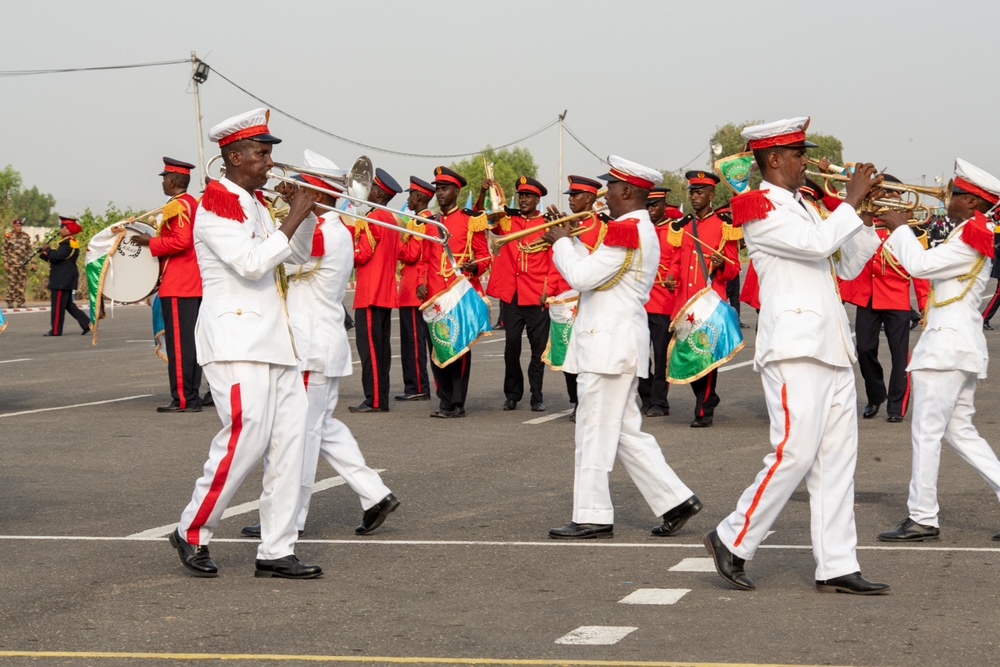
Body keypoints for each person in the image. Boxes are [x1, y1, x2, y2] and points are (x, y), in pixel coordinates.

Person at [703, 117, 890, 595]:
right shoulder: (758, 208)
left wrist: (866, 215)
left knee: (836, 461)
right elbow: (816, 245)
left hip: (829, 345)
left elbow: (847, 260)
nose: (808, 160)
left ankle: (836, 563)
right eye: (800, 154)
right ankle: (731, 537)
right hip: (794, 347)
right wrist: (848, 201)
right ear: (774, 160)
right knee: (795, 452)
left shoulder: (807, 205)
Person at [168, 108, 322, 579]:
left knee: (290, 446)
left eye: (269, 151)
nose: (270, 161)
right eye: (261, 152)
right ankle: (192, 529)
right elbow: (252, 263)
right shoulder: (216, 205)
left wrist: (308, 215)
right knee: (245, 439)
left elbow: (296, 254)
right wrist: (292, 213)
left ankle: (276, 549)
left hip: (275, 340)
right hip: (236, 339)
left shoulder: (255, 203)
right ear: (233, 156)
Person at [543, 155, 702, 540]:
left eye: (611, 188)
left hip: (608, 346)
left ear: (627, 191)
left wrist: (562, 244)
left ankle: (592, 514)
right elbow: (597, 275)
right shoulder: (629, 229)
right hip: (614, 344)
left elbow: (582, 277)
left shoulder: (626, 230)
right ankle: (675, 500)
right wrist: (573, 240)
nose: (605, 194)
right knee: (625, 433)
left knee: (593, 432)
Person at [242, 150, 398, 539]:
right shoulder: (334, 228)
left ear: (317, 194)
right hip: (317, 342)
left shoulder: (325, 232)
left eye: (301, 190)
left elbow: (272, 259)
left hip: (311, 346)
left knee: (301, 440)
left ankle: (286, 521)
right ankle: (375, 494)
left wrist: (277, 209)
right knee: (322, 428)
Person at [876, 158, 1000, 543]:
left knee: (926, 433)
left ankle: (922, 516)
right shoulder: (969, 232)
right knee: (959, 431)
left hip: (947, 347)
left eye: (954, 193)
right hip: (956, 345)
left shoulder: (969, 236)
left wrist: (899, 228)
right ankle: (923, 514)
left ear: (972, 202)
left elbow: (920, 265)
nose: (946, 197)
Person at [838, 175, 929, 423]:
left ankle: (896, 407)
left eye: (893, 192)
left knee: (900, 355)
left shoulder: (909, 229)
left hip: (896, 298)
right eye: (885, 192)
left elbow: (919, 270)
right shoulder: (865, 222)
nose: (889, 196)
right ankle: (876, 395)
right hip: (868, 297)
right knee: (864, 349)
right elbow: (851, 260)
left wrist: (924, 304)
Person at [664, 171, 741, 427]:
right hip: (685, 302)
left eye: (700, 193)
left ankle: (703, 411)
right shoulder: (684, 226)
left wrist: (721, 264)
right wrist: (671, 276)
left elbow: (733, 268)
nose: (695, 197)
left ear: (711, 195)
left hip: (709, 302)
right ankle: (709, 398)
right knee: (688, 354)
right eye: (692, 192)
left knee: (705, 354)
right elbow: (675, 261)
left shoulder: (724, 225)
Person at [416, 166, 491, 418]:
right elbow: (423, 258)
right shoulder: (430, 222)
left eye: (444, 189)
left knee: (458, 348)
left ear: (456, 191)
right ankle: (444, 400)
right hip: (434, 295)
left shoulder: (471, 219)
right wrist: (420, 281)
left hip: (458, 292)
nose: (439, 193)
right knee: (437, 348)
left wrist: (476, 266)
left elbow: (484, 255)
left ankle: (457, 402)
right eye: (437, 189)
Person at [130, 158, 204, 413]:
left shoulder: (178, 206)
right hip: (191, 282)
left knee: (180, 346)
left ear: (172, 181)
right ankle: (191, 395)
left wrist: (150, 243)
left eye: (164, 178)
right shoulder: (190, 203)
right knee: (190, 344)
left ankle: (184, 399)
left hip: (179, 283)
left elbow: (181, 241)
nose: (162, 182)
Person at [485, 176, 551, 412]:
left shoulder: (547, 224)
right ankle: (512, 394)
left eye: (528, 196)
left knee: (538, 349)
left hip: (536, 296)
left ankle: (537, 395)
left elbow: (553, 262)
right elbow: (486, 217)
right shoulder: (507, 221)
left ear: (537, 199)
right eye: (521, 196)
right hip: (512, 296)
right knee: (511, 346)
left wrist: (549, 291)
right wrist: (488, 193)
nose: (523, 200)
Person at [545, 175, 608, 423]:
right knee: (566, 354)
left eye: (576, 195)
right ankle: (576, 401)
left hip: (590, 299)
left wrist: (568, 240)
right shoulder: (566, 223)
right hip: (566, 297)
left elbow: (594, 262)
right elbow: (556, 261)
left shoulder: (601, 225)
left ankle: (588, 403)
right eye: (570, 196)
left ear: (590, 198)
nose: (571, 200)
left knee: (588, 357)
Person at [349, 168, 402, 413]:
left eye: (371, 188)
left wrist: (345, 242)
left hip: (369, 293)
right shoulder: (391, 218)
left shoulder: (372, 219)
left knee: (370, 350)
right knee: (381, 351)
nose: (367, 191)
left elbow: (362, 254)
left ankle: (375, 399)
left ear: (379, 193)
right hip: (385, 292)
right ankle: (380, 398)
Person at [637, 187, 676, 417]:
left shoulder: (674, 230)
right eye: (647, 205)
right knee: (639, 355)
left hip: (663, 303)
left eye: (655, 205)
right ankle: (646, 395)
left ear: (664, 205)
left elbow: (678, 260)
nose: (651, 210)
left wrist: (672, 274)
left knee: (661, 355)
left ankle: (660, 402)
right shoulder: (639, 230)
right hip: (640, 302)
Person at [395, 176, 434, 401]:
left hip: (414, 290)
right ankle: (417, 386)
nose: (408, 199)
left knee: (414, 343)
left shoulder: (421, 222)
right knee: (416, 342)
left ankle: (418, 386)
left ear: (419, 197)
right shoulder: (420, 220)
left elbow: (411, 254)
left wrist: (397, 240)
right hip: (413, 288)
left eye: (411, 194)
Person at [38, 216, 90, 337]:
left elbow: (56, 256)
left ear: (68, 229)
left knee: (57, 306)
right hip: (63, 277)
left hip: (62, 279)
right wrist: (44, 252)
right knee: (67, 305)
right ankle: (87, 323)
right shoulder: (66, 242)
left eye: (62, 227)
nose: (60, 229)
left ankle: (56, 330)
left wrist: (48, 249)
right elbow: (56, 259)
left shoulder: (69, 243)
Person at [3, 218, 34, 308]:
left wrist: (33, 262)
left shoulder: (25, 236)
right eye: (17, 226)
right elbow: (4, 250)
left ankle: (20, 301)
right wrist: (5, 262)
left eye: (20, 226)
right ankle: (10, 301)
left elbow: (29, 251)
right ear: (13, 226)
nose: (19, 228)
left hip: (23, 264)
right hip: (12, 264)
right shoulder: (8, 236)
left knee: (21, 283)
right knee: (12, 283)